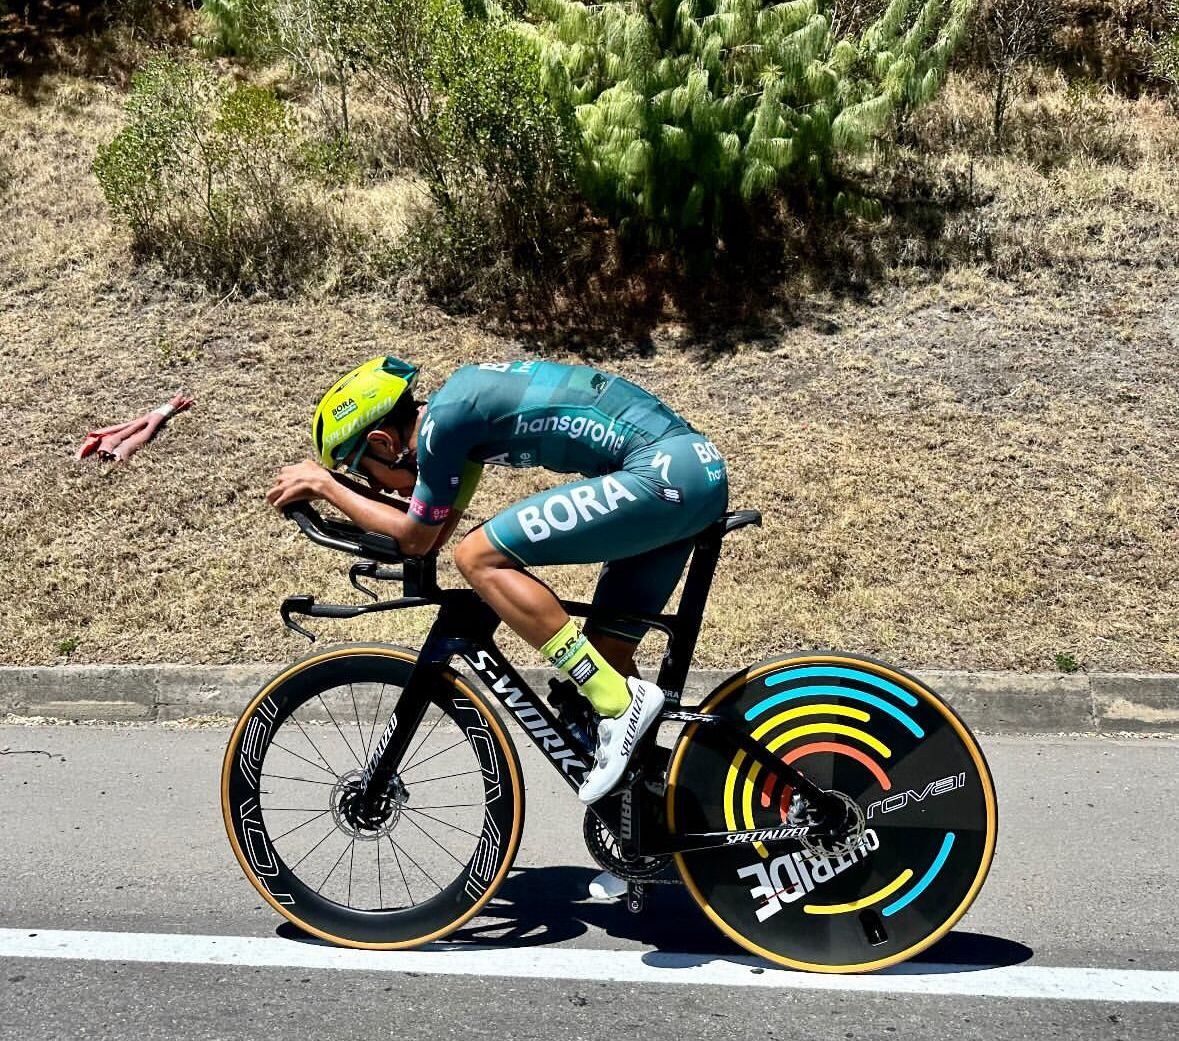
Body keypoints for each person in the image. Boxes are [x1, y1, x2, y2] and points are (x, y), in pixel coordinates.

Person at [266, 356, 729, 805]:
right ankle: (646, 839)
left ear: (385, 442)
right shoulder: (457, 420)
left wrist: (328, 487)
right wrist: (338, 488)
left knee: (479, 557)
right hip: (688, 470)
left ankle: (615, 703)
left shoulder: (445, 425)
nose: (380, 486)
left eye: (364, 469)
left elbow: (413, 536)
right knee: (608, 654)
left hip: (661, 476)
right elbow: (429, 536)